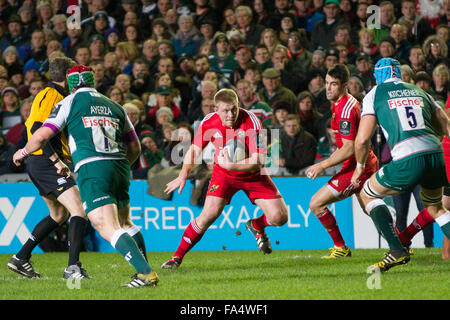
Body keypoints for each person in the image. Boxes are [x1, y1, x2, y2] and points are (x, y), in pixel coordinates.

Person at [12, 65, 158, 288]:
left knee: (105, 225)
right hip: (120, 166)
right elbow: (135, 147)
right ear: (93, 82)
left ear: (70, 86)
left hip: (92, 167)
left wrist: (22, 152)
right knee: (125, 222)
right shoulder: (116, 105)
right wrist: (122, 166)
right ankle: (143, 267)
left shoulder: (68, 102)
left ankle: (145, 274)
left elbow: (40, 137)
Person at [161, 88, 288, 269]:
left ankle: (256, 225)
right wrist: (182, 175)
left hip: (251, 174)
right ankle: (176, 258)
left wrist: (231, 165)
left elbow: (259, 160)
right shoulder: (208, 122)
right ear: (215, 109)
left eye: (234, 109)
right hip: (224, 175)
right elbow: (195, 150)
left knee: (280, 217)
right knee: (208, 215)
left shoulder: (252, 122)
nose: (231, 115)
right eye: (225, 111)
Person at [351, 58, 450, 273]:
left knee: (368, 194)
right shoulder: (418, 90)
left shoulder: (375, 94)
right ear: (398, 73)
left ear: (377, 76)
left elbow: (361, 140)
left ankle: (396, 250)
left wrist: (359, 167)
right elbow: (445, 124)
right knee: (435, 207)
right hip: (435, 154)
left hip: (407, 158)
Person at [6, 57, 90, 280]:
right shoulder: (50, 94)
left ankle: (20, 258)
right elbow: (36, 129)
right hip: (44, 160)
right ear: (66, 76)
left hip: (40, 160)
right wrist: (56, 161)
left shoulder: (58, 96)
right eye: (72, 75)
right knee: (78, 211)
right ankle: (73, 268)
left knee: (58, 214)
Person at [305, 64, 379, 258]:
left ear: (345, 85)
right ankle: (401, 241)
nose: (328, 88)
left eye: (334, 84)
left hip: (358, 167)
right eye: (327, 83)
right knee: (371, 209)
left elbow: (348, 147)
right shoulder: (340, 104)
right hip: (359, 164)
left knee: (316, 204)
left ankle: (341, 247)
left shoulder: (346, 109)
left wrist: (322, 165)